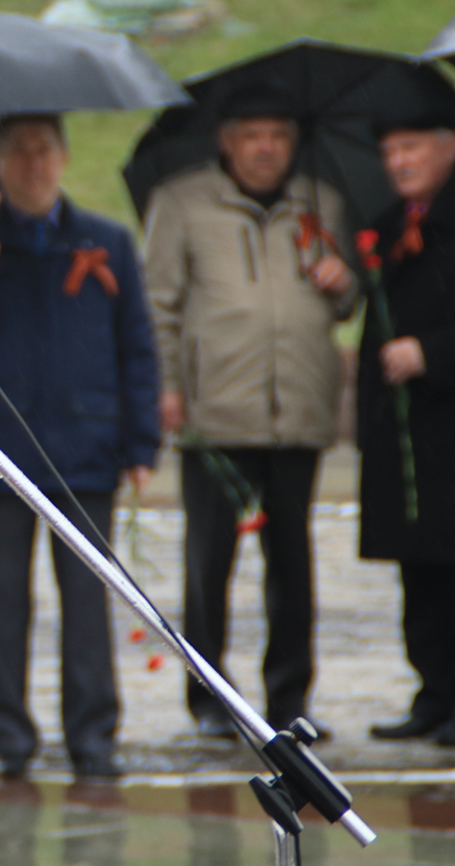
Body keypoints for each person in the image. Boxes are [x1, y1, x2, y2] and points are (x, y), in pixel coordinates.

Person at [0, 113, 160, 780]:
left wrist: (141, 442)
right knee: (0, 600)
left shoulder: (107, 241)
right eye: (18, 153)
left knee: (88, 604)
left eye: (44, 151)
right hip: (0, 449)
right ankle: (4, 734)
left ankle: (93, 736)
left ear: (64, 158)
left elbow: (138, 347)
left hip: (85, 445)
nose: (34, 164)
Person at [141, 83, 355, 740]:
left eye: (280, 136)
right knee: (209, 562)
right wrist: (168, 388)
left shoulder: (320, 203)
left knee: (293, 559)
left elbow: (345, 306)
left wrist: (342, 282)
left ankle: (289, 695)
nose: (267, 149)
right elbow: (160, 305)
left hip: (298, 410)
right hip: (216, 412)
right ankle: (209, 698)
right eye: (253, 136)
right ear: (227, 142)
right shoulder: (182, 202)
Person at [356, 85, 455, 743]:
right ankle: (434, 693)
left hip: (449, 420)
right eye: (390, 150)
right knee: (418, 568)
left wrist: (431, 353)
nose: (398, 161)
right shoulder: (388, 226)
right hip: (408, 431)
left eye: (411, 146)